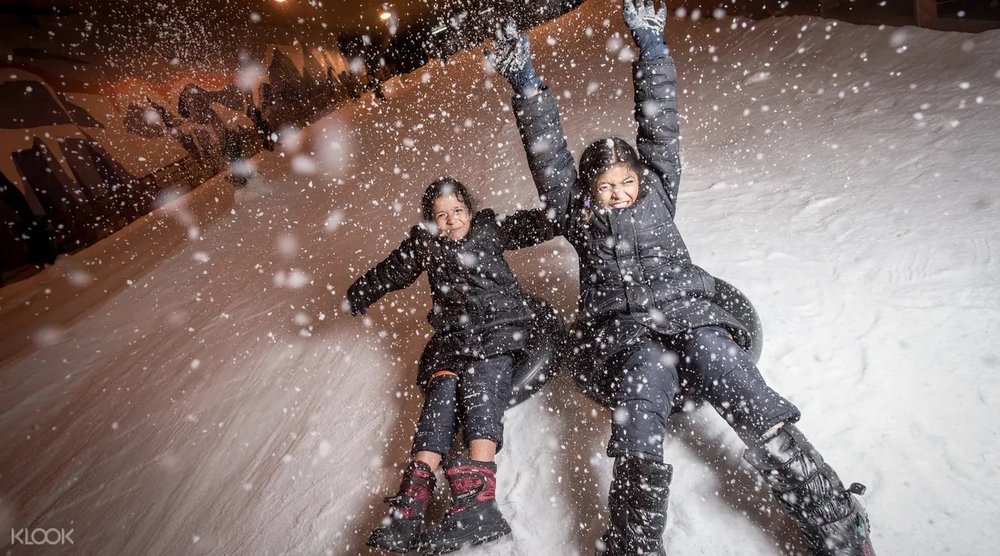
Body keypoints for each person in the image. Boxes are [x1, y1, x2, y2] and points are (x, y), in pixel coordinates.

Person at [488, 2, 877, 555]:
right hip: (627, 334)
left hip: (691, 315)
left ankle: (833, 518)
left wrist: (650, 47)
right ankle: (635, 541)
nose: (619, 191)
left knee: (734, 374)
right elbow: (547, 149)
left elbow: (659, 119)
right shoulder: (576, 214)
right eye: (606, 184)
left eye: (626, 180)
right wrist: (525, 80)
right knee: (639, 411)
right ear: (587, 191)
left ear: (640, 179)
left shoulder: (659, 192)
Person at [346, 177, 556, 554]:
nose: (452, 221)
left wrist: (569, 213)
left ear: (471, 212)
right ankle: (413, 501)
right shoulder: (426, 245)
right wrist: (362, 289)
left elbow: (533, 225)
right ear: (430, 220)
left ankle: (479, 504)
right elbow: (393, 270)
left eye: (458, 211)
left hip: (498, 328)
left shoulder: (490, 230)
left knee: (480, 384)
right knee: (441, 394)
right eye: (441, 215)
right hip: (452, 340)